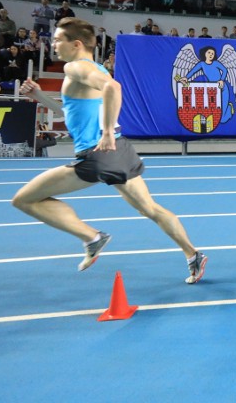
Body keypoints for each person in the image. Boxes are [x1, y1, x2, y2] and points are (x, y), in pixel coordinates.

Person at [12, 18, 208, 283]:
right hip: (119, 148)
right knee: (150, 208)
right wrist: (40, 98)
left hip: (97, 154)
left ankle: (91, 238)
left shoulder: (75, 67)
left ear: (76, 44)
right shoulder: (89, 69)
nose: (53, 44)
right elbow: (73, 115)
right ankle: (192, 254)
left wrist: (104, 132)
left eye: (58, 40)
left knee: (24, 199)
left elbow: (113, 87)